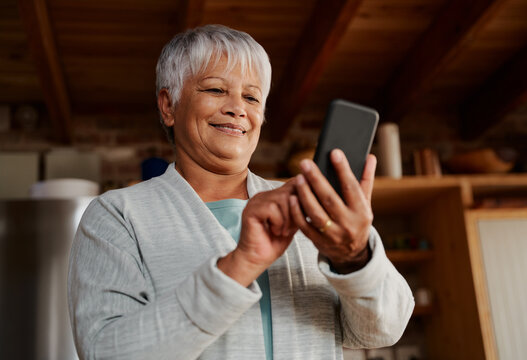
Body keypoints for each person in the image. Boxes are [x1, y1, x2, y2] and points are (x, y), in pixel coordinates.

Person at [68, 24, 414, 360]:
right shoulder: (119, 215)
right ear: (169, 105)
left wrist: (354, 257)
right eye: (216, 90)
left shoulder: (308, 205)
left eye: (252, 96)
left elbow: (379, 332)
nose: (239, 108)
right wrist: (240, 264)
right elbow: (105, 352)